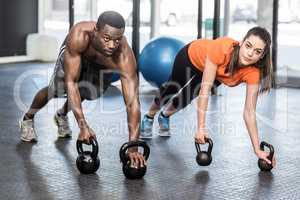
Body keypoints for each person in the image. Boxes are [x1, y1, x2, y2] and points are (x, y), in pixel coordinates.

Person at [19, 11, 145, 166]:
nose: (112, 45)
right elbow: (71, 82)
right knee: (57, 89)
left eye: (117, 40)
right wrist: (83, 125)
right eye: (107, 39)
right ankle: (27, 118)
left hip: (100, 66)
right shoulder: (80, 35)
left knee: (89, 92)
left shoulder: (124, 56)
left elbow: (133, 103)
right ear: (95, 31)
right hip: (76, 54)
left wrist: (133, 145)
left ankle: (61, 114)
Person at [140, 26, 276, 166]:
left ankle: (165, 115)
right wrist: (201, 128)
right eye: (248, 46)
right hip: (192, 57)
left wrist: (257, 149)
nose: (250, 53)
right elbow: (204, 92)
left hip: (216, 72)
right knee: (171, 89)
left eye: (257, 51)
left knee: (188, 96)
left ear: (262, 55)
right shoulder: (222, 48)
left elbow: (249, 112)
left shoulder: (253, 73)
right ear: (241, 42)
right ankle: (149, 116)